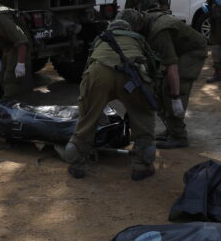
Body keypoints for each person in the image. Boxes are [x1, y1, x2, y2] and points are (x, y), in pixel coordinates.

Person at [60, 13, 159, 181]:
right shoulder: (137, 38)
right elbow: (152, 67)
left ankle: (76, 161)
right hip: (132, 75)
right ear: (129, 29)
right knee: (143, 116)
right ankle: (141, 165)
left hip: (99, 72)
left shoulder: (100, 39)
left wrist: (91, 107)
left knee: (86, 122)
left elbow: (87, 67)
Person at [130, 7, 208, 149]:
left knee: (171, 89)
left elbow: (172, 67)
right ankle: (171, 129)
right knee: (159, 87)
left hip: (192, 52)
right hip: (179, 50)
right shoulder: (147, 20)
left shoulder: (158, 31)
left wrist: (176, 97)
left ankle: (179, 136)